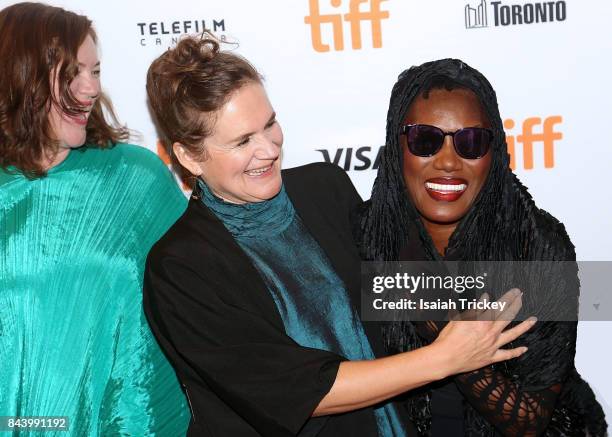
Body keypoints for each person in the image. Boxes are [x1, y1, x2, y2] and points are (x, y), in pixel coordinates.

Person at [143, 34, 536, 436]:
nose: (269, 149)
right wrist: (444, 358)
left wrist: (555, 284)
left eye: (270, 124)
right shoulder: (180, 267)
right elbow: (298, 392)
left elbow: (400, 289)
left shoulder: (324, 188)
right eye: (243, 141)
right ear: (190, 156)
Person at [356, 58, 607, 436]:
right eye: (425, 139)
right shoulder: (364, 236)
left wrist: (445, 331)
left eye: (470, 142)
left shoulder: (535, 245)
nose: (447, 162)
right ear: (397, 147)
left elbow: (530, 421)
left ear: (495, 153)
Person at [0, 3, 189, 435]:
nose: (88, 89)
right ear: (19, 75)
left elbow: (212, 291)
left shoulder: (135, 178)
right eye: (71, 74)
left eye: (95, 71)